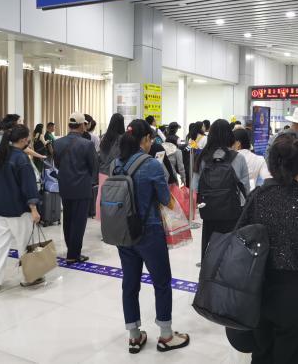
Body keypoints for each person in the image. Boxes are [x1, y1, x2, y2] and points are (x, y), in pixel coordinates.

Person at [237, 134, 298, 363]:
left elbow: (239, 241)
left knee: (261, 354)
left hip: (258, 290)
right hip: (294, 294)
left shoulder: (257, 197)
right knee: (290, 356)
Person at [114, 119, 190, 354]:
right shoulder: (152, 165)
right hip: (149, 232)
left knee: (130, 283)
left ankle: (134, 336)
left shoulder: (116, 163)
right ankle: (166, 336)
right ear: (146, 139)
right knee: (161, 282)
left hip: (124, 232)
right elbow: (165, 199)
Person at [0, 125, 42, 296]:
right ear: (23, 140)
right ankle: (30, 277)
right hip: (19, 210)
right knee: (26, 244)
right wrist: (34, 209)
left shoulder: (1, 156)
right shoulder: (21, 159)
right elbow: (28, 186)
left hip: (0, 209)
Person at [193, 119, 250, 258]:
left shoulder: (203, 158)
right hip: (232, 213)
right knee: (231, 251)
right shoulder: (239, 158)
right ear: (230, 135)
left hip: (209, 212)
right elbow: (245, 190)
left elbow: (195, 187)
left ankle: (208, 269)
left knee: (209, 249)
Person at [53, 113, 98, 265]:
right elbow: (93, 166)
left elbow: (57, 164)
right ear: (82, 125)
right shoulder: (87, 144)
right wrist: (91, 182)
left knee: (68, 219)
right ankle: (73, 254)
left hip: (65, 185)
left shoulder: (57, 143)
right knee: (79, 222)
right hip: (82, 187)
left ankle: (70, 249)